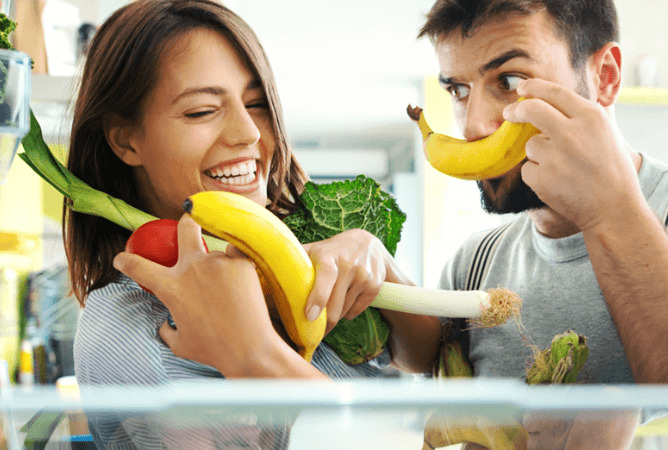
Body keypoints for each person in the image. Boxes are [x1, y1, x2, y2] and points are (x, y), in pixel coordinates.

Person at [68, 1, 438, 448]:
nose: (249, 133)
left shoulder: (288, 265)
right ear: (126, 139)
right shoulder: (128, 330)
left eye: (257, 104)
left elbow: (428, 354)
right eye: (201, 111)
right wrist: (254, 355)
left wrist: (379, 263)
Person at [403, 0, 668, 448]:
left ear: (605, 76)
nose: (474, 125)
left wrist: (606, 207)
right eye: (458, 89)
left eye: (509, 81)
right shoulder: (472, 267)